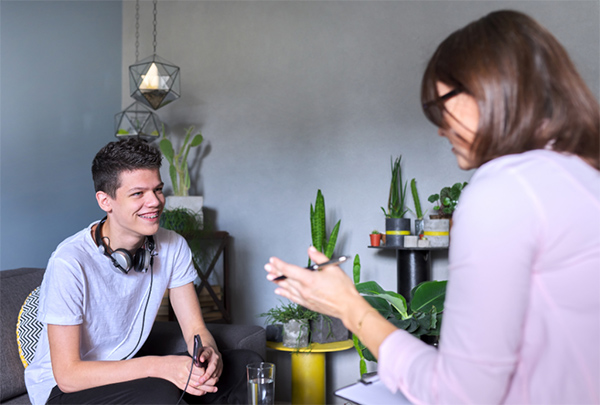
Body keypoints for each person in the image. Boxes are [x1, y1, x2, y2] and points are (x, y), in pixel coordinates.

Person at [265, 10, 599, 404]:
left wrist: (349, 307)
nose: (441, 127)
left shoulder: (503, 190)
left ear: (493, 88)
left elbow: (460, 395)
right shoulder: (581, 177)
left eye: (444, 104)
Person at [25, 138, 260, 404]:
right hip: (63, 391)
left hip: (127, 375)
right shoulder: (69, 262)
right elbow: (68, 376)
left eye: (158, 190)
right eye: (138, 194)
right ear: (105, 201)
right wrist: (158, 367)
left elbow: (195, 327)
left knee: (244, 365)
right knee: (162, 392)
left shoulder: (173, 245)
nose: (155, 202)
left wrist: (208, 351)